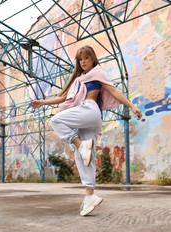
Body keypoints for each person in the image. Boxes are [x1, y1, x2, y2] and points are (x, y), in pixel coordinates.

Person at [30, 45, 142, 216]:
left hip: (89, 109)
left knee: (56, 120)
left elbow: (113, 90)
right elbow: (63, 97)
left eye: (86, 58)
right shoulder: (77, 80)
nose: (83, 62)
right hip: (89, 119)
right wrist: (42, 103)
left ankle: (80, 145)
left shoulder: (98, 72)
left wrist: (132, 106)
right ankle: (90, 197)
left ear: (93, 59)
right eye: (80, 59)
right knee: (84, 157)